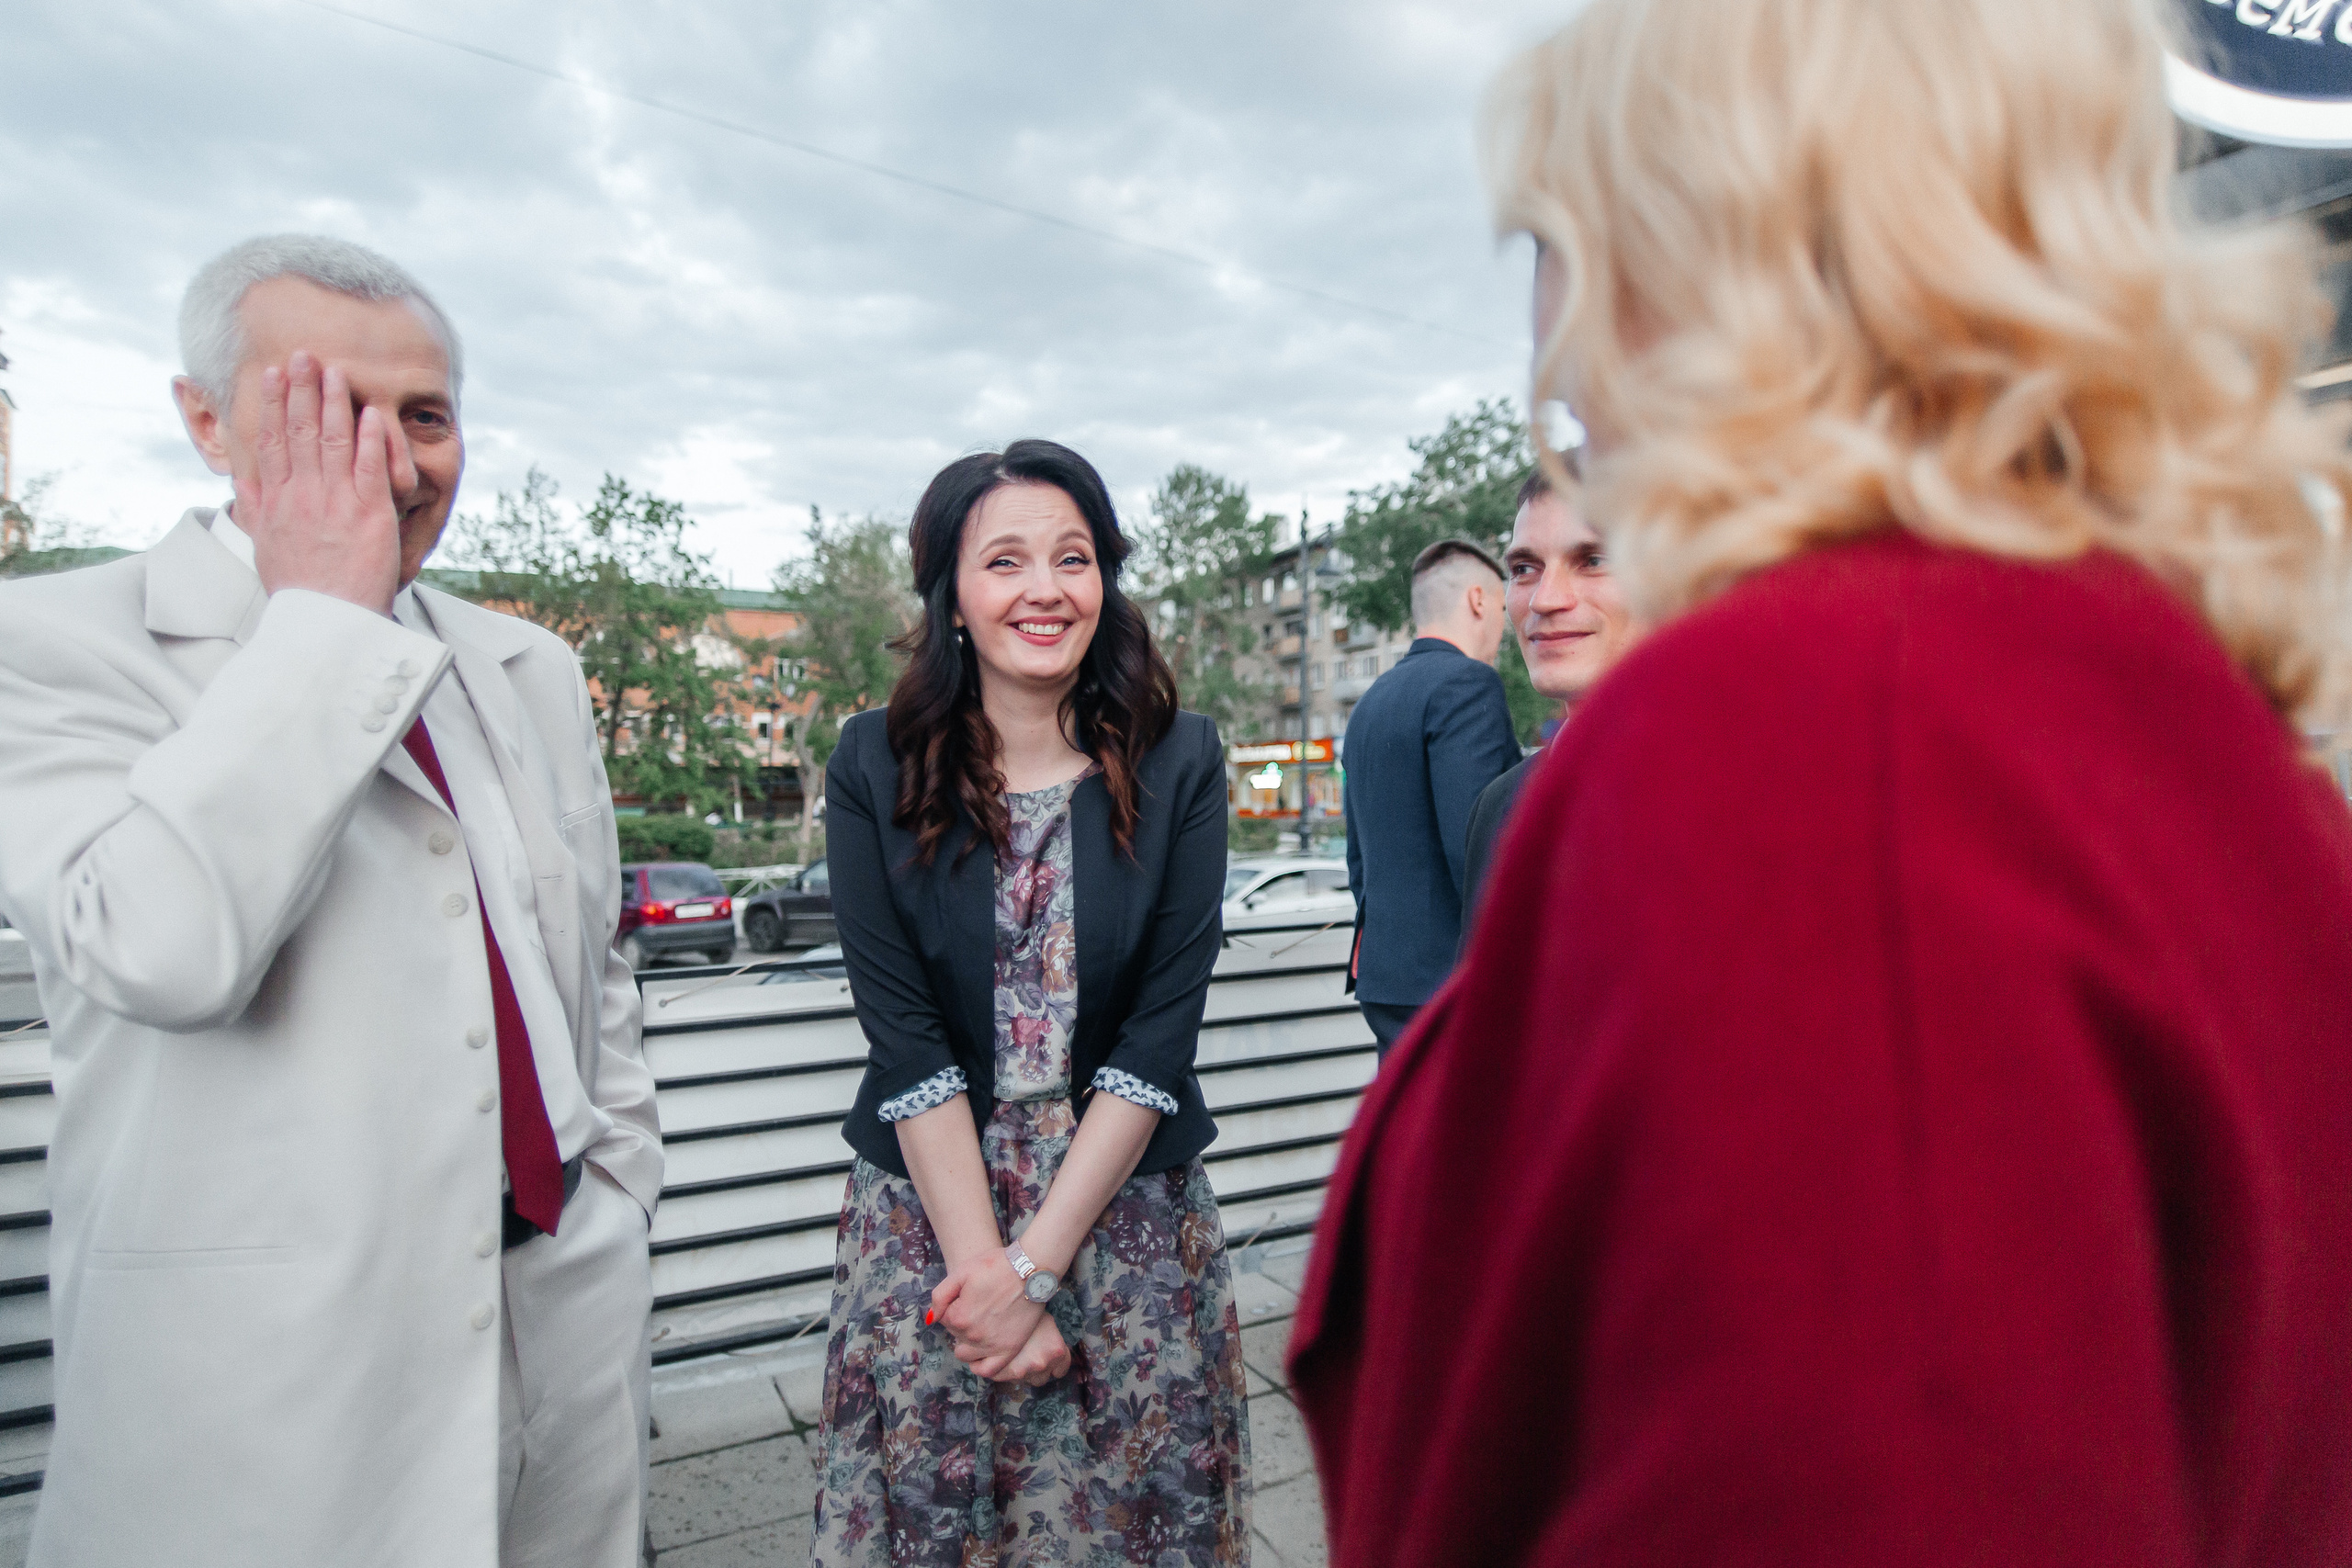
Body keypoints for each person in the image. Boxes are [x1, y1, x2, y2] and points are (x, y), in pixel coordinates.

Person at [1289, 0, 2352, 1562]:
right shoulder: (2188, 727)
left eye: (1565, 236)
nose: (1552, 348)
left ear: (1714, 253)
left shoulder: (1813, 752)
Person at [0, 236, 661, 1568]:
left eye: (423, 415)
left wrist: (615, 1199)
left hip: (560, 1329)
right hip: (271, 1399)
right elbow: (167, 947)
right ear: (203, 419)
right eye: (330, 412)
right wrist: (322, 616)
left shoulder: (525, 664)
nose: (391, 464)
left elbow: (587, 967)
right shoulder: (52, 646)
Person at [810, 439, 1250, 1565]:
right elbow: (902, 1035)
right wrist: (989, 1289)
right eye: (1004, 561)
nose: (1045, 588)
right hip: (930, 1223)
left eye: (1074, 557)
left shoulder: (1182, 763)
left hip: (1123, 1221)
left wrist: (1038, 1269)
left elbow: (1161, 1031)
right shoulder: (872, 762)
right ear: (953, 595)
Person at [1339, 538, 1521, 1055]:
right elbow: (1482, 853)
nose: (1505, 628)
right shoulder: (1468, 685)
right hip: (1452, 985)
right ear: (1480, 600)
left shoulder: (1370, 704)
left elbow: (1359, 862)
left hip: (1386, 980)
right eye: (1505, 609)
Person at [1460, 464, 1636, 917]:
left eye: (1593, 560)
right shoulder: (1500, 808)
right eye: (1524, 568)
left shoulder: (1763, 799)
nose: (1544, 598)